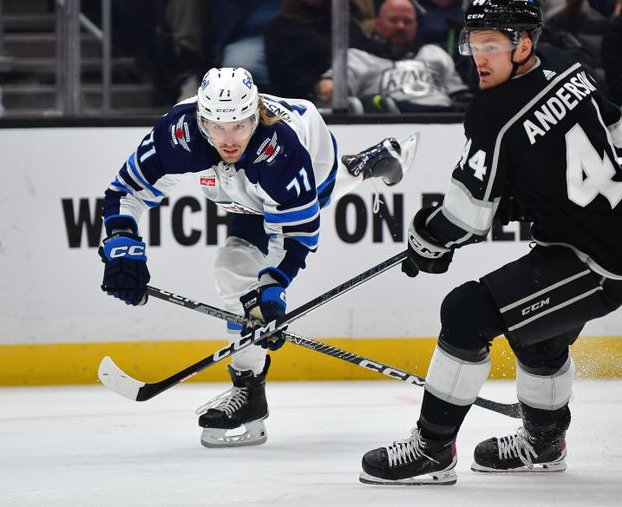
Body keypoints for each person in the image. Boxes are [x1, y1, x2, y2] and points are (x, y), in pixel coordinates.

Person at [359, 0, 622, 485]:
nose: (479, 58)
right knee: (536, 335)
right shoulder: (567, 63)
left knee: (465, 313)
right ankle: (543, 443)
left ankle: (432, 448)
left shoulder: (493, 113)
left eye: (491, 45)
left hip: (599, 258)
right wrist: (536, 193)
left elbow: (466, 217)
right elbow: (609, 123)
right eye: (474, 44)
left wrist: (425, 240)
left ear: (522, 45)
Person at [99, 67, 417, 448]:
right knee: (239, 225)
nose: (229, 139)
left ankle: (247, 389)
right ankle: (369, 162)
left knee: (235, 266)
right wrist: (122, 245)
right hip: (235, 182)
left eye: (240, 125)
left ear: (256, 116)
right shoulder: (177, 134)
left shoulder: (283, 150)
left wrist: (273, 286)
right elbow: (124, 191)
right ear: (201, 120)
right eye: (217, 127)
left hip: (311, 148)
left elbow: (297, 234)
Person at [315, 0, 469, 113]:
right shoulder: (357, 58)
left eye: (407, 21)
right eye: (393, 20)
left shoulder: (435, 54)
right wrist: (328, 87)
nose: (400, 26)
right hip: (388, 125)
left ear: (415, 27)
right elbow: (328, 87)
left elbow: (461, 96)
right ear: (378, 24)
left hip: (444, 123)